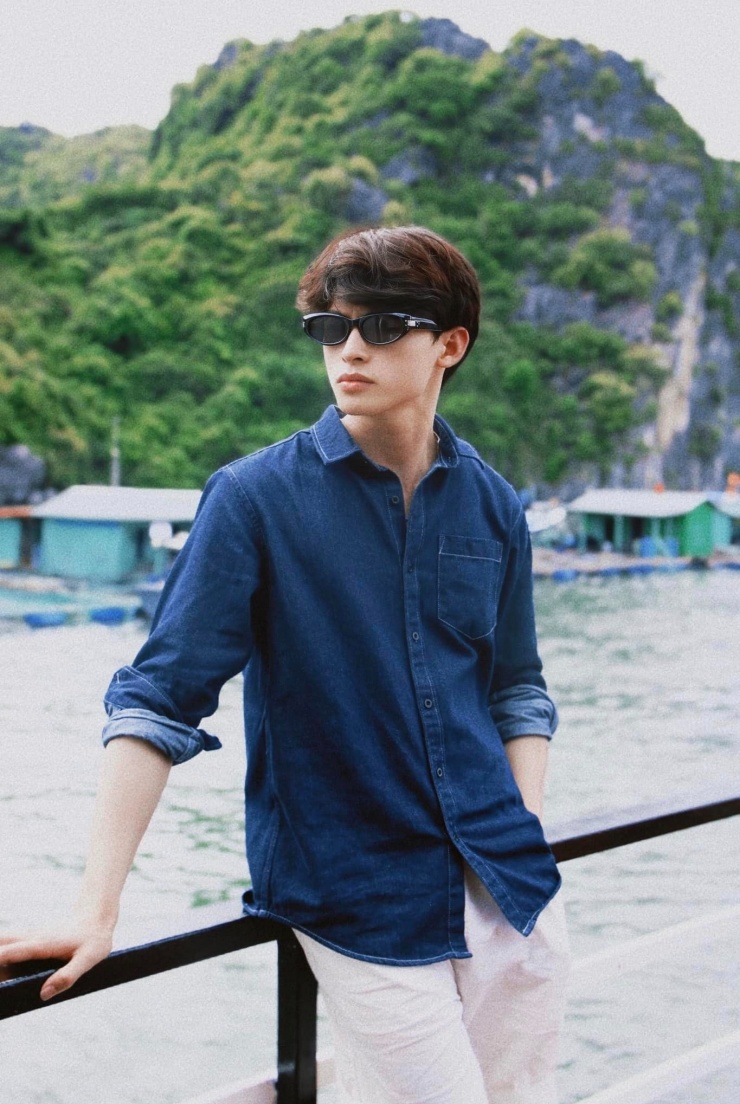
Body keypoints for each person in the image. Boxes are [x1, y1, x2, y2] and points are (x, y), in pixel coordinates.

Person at [0, 226, 569, 1103]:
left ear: (450, 344)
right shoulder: (254, 499)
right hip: (356, 895)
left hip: (511, 887)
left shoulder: (493, 504)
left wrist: (522, 822)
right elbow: (159, 700)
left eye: (384, 326)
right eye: (331, 328)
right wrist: (96, 907)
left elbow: (516, 690)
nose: (350, 348)